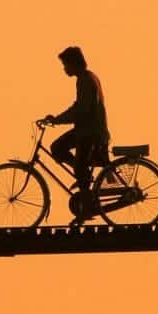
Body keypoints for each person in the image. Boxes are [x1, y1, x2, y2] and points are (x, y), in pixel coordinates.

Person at [42, 46, 110, 221]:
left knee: (63, 153)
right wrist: (57, 118)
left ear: (74, 64)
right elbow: (79, 106)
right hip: (87, 130)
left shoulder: (85, 80)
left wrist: (57, 120)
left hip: (90, 132)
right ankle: (84, 179)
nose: (65, 69)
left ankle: (86, 208)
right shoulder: (86, 78)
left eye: (66, 65)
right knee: (60, 150)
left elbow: (82, 110)